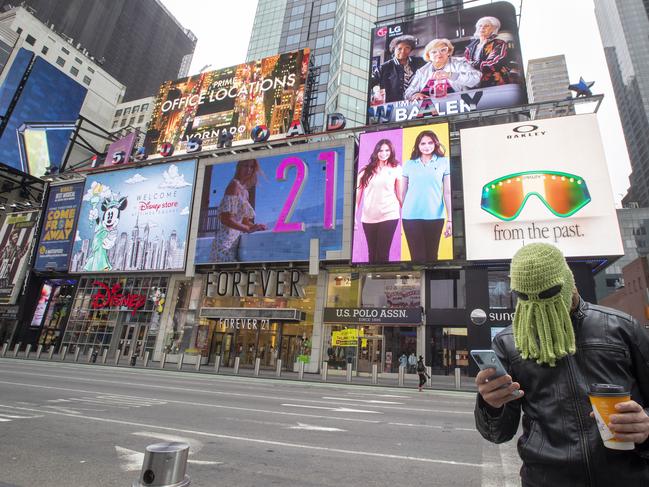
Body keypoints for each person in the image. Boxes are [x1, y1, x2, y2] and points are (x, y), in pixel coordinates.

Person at [475, 243, 649, 486]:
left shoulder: (621, 328)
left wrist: (646, 426)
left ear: (569, 281)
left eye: (548, 293)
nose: (537, 304)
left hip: (626, 476)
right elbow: (498, 433)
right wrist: (490, 405)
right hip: (546, 478)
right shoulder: (509, 342)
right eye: (524, 296)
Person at [400, 130, 451, 262]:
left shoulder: (444, 162)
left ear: (435, 144)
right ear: (418, 145)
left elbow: (447, 192)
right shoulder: (408, 164)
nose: (426, 146)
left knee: (432, 257)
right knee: (417, 258)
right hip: (410, 217)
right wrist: (400, 215)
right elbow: (402, 193)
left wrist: (450, 220)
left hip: (435, 217)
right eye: (423, 143)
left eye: (430, 142)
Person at [356, 139, 402, 263]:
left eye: (387, 150)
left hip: (389, 215)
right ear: (376, 151)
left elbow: (399, 194)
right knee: (372, 254)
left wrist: (407, 218)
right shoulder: (365, 171)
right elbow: (357, 196)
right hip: (368, 217)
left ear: (391, 152)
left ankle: (383, 279)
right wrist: (354, 218)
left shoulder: (396, 168)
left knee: (382, 253)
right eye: (381, 150)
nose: (384, 153)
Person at [210, 159, 266, 262]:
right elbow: (226, 219)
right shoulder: (234, 185)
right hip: (223, 245)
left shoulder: (245, 192)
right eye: (245, 166)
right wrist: (247, 229)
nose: (248, 169)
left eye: (251, 167)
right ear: (239, 167)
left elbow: (243, 221)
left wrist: (256, 226)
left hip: (233, 245)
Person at [404, 38, 480, 101]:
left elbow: (476, 79)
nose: (439, 54)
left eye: (443, 50)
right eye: (434, 52)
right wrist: (414, 95)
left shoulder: (459, 63)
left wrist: (450, 75)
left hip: (458, 105)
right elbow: (408, 92)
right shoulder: (422, 71)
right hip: (431, 109)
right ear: (428, 56)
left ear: (449, 52)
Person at [371, 34, 426, 104]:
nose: (403, 51)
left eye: (407, 48)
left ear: (411, 49)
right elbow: (370, 83)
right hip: (395, 107)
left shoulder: (420, 62)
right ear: (394, 49)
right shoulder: (384, 68)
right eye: (399, 49)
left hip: (418, 102)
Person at [464, 16, 514, 87]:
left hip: (495, 82)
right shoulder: (470, 47)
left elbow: (495, 63)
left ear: (494, 29)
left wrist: (475, 66)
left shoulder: (499, 43)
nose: (482, 28)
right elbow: (465, 64)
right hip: (474, 84)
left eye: (486, 26)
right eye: (480, 26)